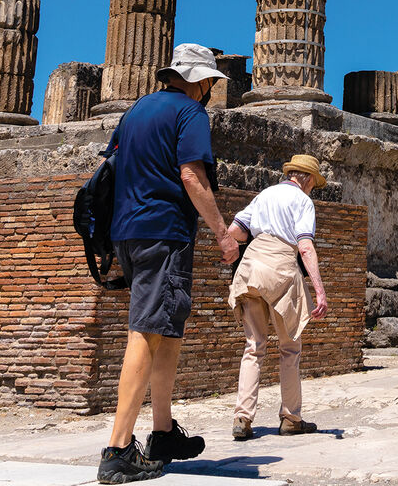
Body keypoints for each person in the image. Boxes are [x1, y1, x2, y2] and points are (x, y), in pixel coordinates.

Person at [99, 43, 240, 483]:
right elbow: (191, 175)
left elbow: (111, 165)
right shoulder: (190, 113)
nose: (211, 90)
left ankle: (163, 434)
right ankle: (118, 449)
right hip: (163, 231)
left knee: (167, 329)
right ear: (201, 81)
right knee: (145, 331)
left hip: (126, 230)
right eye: (211, 82)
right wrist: (223, 233)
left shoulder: (136, 110)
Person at [226, 155, 331, 441]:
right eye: (314, 184)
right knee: (289, 348)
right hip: (281, 269)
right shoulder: (303, 201)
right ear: (308, 179)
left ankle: (242, 418)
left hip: (251, 268)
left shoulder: (265, 194)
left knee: (253, 347)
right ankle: (290, 418)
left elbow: (235, 231)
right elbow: (305, 246)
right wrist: (319, 290)